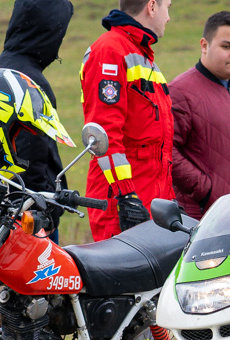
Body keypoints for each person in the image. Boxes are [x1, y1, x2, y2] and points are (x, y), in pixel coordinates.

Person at [0, 0, 79, 340]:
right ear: (46, 31)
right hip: (25, 213)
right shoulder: (28, 81)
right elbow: (37, 156)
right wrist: (48, 205)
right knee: (32, 312)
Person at [80, 0, 174, 240]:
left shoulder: (143, 57)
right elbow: (104, 134)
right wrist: (127, 197)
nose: (168, 18)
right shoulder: (110, 51)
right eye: (168, 8)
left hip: (150, 203)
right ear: (152, 7)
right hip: (122, 205)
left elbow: (158, 147)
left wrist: (168, 199)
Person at [168, 11, 230, 219]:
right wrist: (206, 191)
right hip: (206, 219)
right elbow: (167, 150)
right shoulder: (179, 92)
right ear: (204, 46)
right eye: (227, 46)